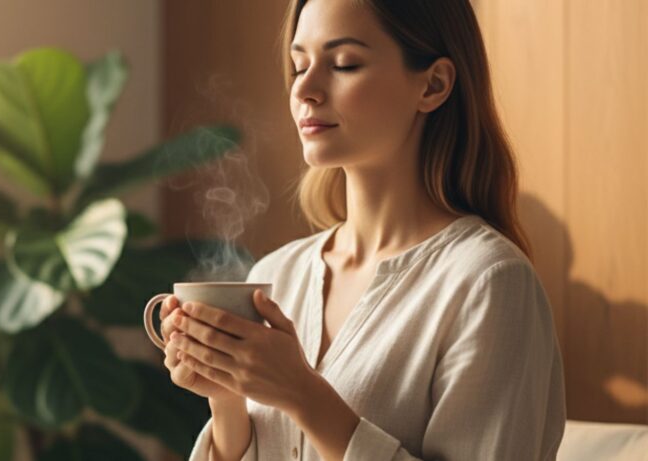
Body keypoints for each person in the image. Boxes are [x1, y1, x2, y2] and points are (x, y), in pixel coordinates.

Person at [157, 0, 566, 459]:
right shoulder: (277, 274)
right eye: (298, 66)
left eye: (344, 64)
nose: (305, 90)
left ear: (433, 85)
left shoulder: (487, 283)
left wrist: (302, 394)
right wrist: (227, 400)